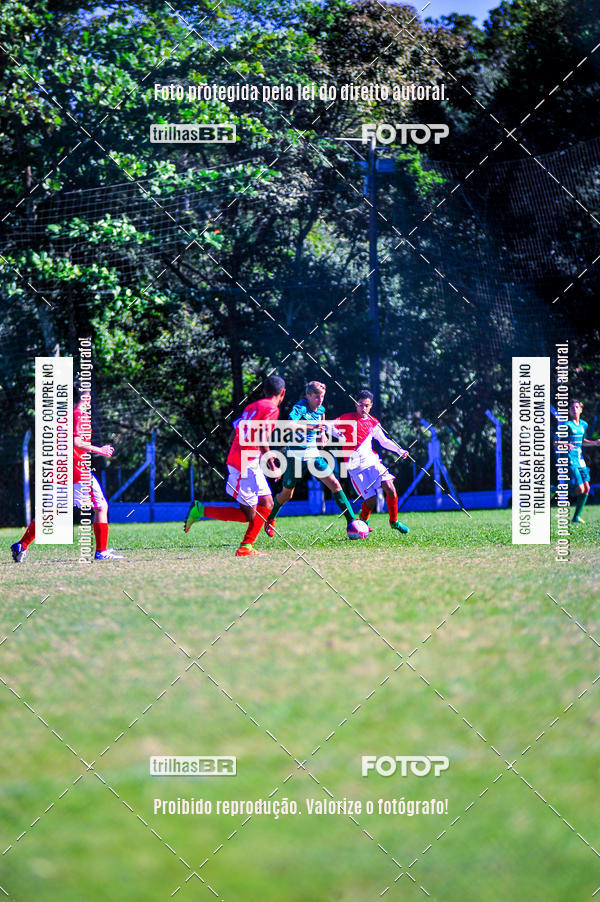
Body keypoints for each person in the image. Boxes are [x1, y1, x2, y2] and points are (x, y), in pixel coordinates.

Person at [11, 384, 124, 562]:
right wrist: (100, 450)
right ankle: (101, 551)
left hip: (63, 471)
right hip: (78, 472)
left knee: (50, 511)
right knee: (101, 506)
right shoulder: (79, 415)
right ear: (86, 397)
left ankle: (21, 545)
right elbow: (76, 441)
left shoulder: (66, 417)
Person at [184, 375, 286, 556]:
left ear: (264, 391)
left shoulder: (252, 407)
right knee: (249, 515)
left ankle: (248, 543)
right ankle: (203, 512)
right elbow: (262, 437)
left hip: (247, 459)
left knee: (267, 502)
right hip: (244, 463)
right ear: (282, 393)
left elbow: (235, 432)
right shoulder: (272, 409)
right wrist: (272, 463)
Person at [264, 380, 360, 535]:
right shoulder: (301, 407)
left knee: (335, 484)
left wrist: (322, 434)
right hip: (295, 456)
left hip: (313, 454)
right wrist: (312, 427)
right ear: (308, 395)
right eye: (316, 396)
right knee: (287, 494)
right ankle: (270, 518)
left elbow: (321, 424)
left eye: (322, 396)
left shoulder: (320, 409)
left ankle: (352, 522)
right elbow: (290, 425)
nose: (320, 400)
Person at [335, 389, 410, 534]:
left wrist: (400, 450)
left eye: (366, 405)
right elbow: (329, 425)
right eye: (360, 405)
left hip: (373, 462)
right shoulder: (346, 418)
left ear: (371, 406)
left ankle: (394, 521)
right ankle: (362, 524)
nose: (363, 408)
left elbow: (384, 441)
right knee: (371, 502)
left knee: (390, 488)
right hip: (356, 468)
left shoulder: (373, 422)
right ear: (356, 404)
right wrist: (330, 434)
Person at [565, 399, 600, 523]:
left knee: (587, 488)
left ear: (580, 409)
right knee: (580, 489)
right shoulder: (567, 425)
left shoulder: (583, 425)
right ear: (569, 411)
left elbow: (582, 442)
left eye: (576, 407)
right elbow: (554, 442)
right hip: (570, 459)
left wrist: (595, 443)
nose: (574, 409)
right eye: (572, 408)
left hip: (580, 460)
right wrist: (565, 444)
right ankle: (555, 489)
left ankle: (576, 517)